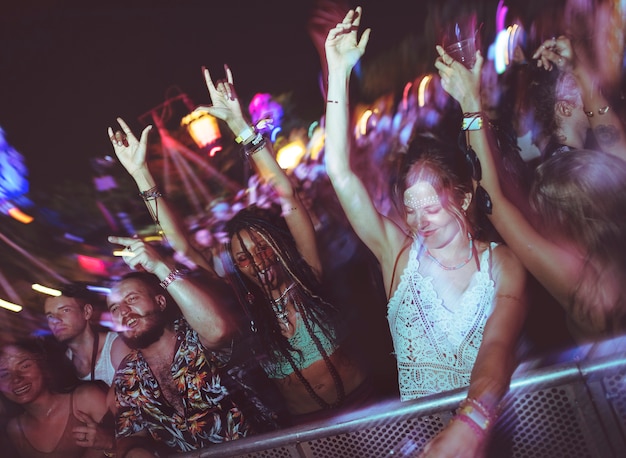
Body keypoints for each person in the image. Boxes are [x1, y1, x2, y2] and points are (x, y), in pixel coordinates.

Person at [324, 7, 527, 457]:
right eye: (410, 210)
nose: (419, 221)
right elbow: (340, 172)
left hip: (496, 439)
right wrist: (337, 73)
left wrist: (470, 425)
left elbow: (497, 346)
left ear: (465, 198)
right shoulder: (396, 255)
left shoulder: (502, 264)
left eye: (432, 206)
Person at [434, 25, 626, 342]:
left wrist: (470, 103)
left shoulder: (581, 284)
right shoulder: (592, 281)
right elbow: (616, 143)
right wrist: (579, 70)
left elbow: (492, 202)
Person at [103, 236, 251, 456]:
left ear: (160, 302)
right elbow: (132, 435)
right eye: (114, 308)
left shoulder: (195, 333)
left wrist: (160, 267)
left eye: (132, 298)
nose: (123, 311)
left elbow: (218, 330)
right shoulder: (127, 375)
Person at [0, 338, 114, 457]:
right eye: (4, 374)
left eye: (25, 366)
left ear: (42, 366)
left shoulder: (87, 399)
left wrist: (111, 442)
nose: (16, 378)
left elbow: (129, 442)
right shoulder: (14, 430)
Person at [530, 34, 626, 162]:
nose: (593, 91)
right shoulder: (572, 169)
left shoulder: (561, 156)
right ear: (565, 109)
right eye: (579, 84)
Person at [44, 285, 130, 386]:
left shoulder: (117, 346)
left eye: (65, 310)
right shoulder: (63, 364)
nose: (55, 320)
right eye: (50, 316)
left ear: (87, 312)